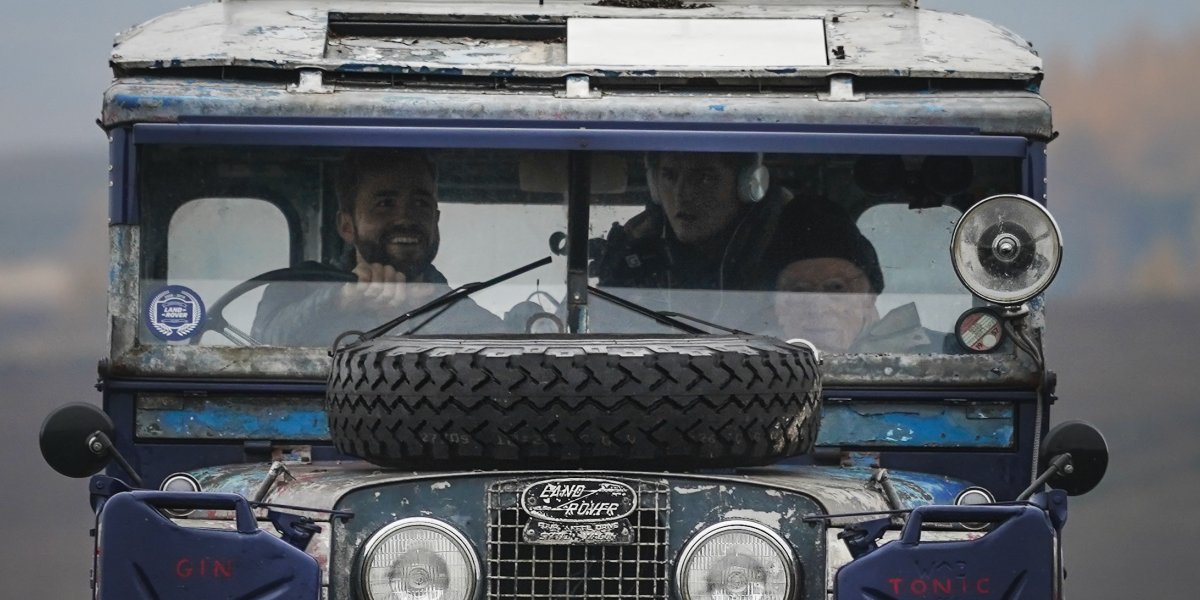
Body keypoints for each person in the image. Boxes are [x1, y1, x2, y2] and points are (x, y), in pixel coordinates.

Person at [251, 149, 503, 345]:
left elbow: (500, 353)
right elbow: (261, 342)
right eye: (385, 203)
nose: (406, 218)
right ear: (347, 225)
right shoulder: (297, 286)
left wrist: (418, 311)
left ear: (435, 220)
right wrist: (340, 299)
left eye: (421, 203)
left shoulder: (456, 308)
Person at [766, 201, 946, 353]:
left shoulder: (941, 358)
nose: (818, 308)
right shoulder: (747, 361)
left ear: (869, 297)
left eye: (836, 287)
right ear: (776, 304)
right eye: (799, 290)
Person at [593, 152, 784, 291]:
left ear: (747, 184)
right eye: (669, 176)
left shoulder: (785, 252)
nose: (681, 195)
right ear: (654, 184)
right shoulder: (637, 253)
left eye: (704, 178)